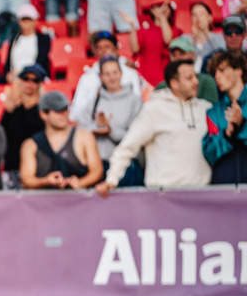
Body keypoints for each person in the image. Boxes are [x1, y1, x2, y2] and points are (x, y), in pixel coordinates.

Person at [96, 59, 213, 196]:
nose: (196, 82)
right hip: (163, 197)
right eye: (189, 78)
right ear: (174, 84)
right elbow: (127, 147)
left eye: (195, 77)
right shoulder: (154, 110)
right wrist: (112, 179)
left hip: (202, 195)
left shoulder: (206, 109)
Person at [72, 55, 144, 183]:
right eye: (107, 73)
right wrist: (97, 127)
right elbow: (81, 130)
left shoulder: (135, 101)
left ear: (121, 73)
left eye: (115, 72)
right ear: (100, 77)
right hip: (98, 167)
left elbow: (137, 138)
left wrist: (110, 131)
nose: (112, 77)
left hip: (126, 167)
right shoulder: (94, 102)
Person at [20, 91, 103, 189]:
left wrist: (81, 183)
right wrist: (46, 181)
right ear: (43, 114)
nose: (64, 114)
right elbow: (26, 179)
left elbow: (97, 171)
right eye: (58, 110)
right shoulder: (30, 145)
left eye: (66, 109)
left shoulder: (84, 137)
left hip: (79, 202)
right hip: (44, 202)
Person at [71, 31, 144, 122]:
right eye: (100, 48)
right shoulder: (87, 78)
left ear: (116, 49)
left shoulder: (130, 73)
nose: (103, 51)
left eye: (107, 47)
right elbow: (75, 112)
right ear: (96, 52)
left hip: (125, 123)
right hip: (94, 125)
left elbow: (136, 104)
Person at [0, 63, 47, 189]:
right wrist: (12, 102)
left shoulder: (43, 111)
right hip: (12, 167)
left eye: (35, 80)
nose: (29, 83)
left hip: (36, 170)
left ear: (39, 84)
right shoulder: (11, 108)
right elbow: (3, 134)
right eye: (26, 79)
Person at [119, 0, 180, 87]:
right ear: (152, 10)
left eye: (165, 6)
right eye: (159, 6)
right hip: (145, 80)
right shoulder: (144, 31)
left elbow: (168, 40)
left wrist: (162, 18)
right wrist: (132, 25)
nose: (162, 9)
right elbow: (134, 49)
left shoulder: (175, 30)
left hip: (165, 80)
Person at [204, 49, 247, 183]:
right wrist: (228, 133)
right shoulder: (213, 111)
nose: (217, 76)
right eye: (215, 73)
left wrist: (241, 125)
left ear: (238, 70)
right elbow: (209, 153)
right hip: (225, 190)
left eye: (222, 70)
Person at [155, 35, 220, 103]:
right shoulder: (162, 86)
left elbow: (210, 110)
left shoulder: (206, 82)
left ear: (193, 55)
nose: (177, 58)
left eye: (182, 53)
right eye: (174, 54)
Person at [4, 4, 51, 80]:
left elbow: (42, 61)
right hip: (15, 77)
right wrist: (8, 74)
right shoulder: (14, 39)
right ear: (19, 21)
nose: (26, 22)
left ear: (35, 21)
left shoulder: (43, 39)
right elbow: (8, 63)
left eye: (29, 19)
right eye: (23, 19)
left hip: (35, 76)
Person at [188, 2, 226, 72]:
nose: (198, 18)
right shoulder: (185, 38)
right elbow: (183, 59)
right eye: (194, 15)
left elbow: (221, 54)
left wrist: (206, 34)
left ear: (210, 18)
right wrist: (194, 38)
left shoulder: (220, 37)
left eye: (202, 14)